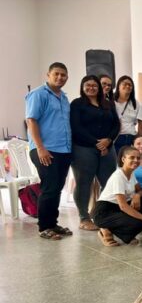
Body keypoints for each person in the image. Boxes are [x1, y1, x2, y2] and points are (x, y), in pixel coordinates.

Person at [26, 62, 74, 240]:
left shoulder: (64, 97)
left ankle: (53, 223)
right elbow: (31, 121)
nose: (60, 77)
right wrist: (40, 148)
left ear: (67, 77)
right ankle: (44, 227)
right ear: (48, 75)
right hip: (46, 149)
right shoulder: (38, 94)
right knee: (49, 187)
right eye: (56, 74)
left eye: (63, 75)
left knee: (57, 188)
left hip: (64, 149)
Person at [70, 75, 120, 232]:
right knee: (84, 183)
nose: (91, 88)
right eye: (88, 85)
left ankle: (102, 213)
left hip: (108, 148)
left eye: (94, 85)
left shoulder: (108, 103)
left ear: (99, 87)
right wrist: (97, 143)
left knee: (110, 183)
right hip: (83, 148)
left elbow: (116, 124)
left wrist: (109, 140)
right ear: (82, 87)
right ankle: (84, 218)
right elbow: (76, 127)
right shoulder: (77, 104)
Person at [93, 146, 142, 246]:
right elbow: (123, 206)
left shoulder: (131, 173)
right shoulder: (118, 176)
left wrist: (137, 195)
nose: (136, 160)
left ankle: (125, 232)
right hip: (104, 212)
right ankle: (105, 230)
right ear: (123, 159)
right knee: (140, 223)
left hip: (117, 208)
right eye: (132, 157)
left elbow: (140, 190)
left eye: (138, 158)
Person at [113, 75, 138, 153]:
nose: (127, 86)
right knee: (115, 160)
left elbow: (136, 122)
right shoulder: (111, 101)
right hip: (115, 137)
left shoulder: (135, 103)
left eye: (130, 85)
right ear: (118, 86)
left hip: (130, 137)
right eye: (124, 84)